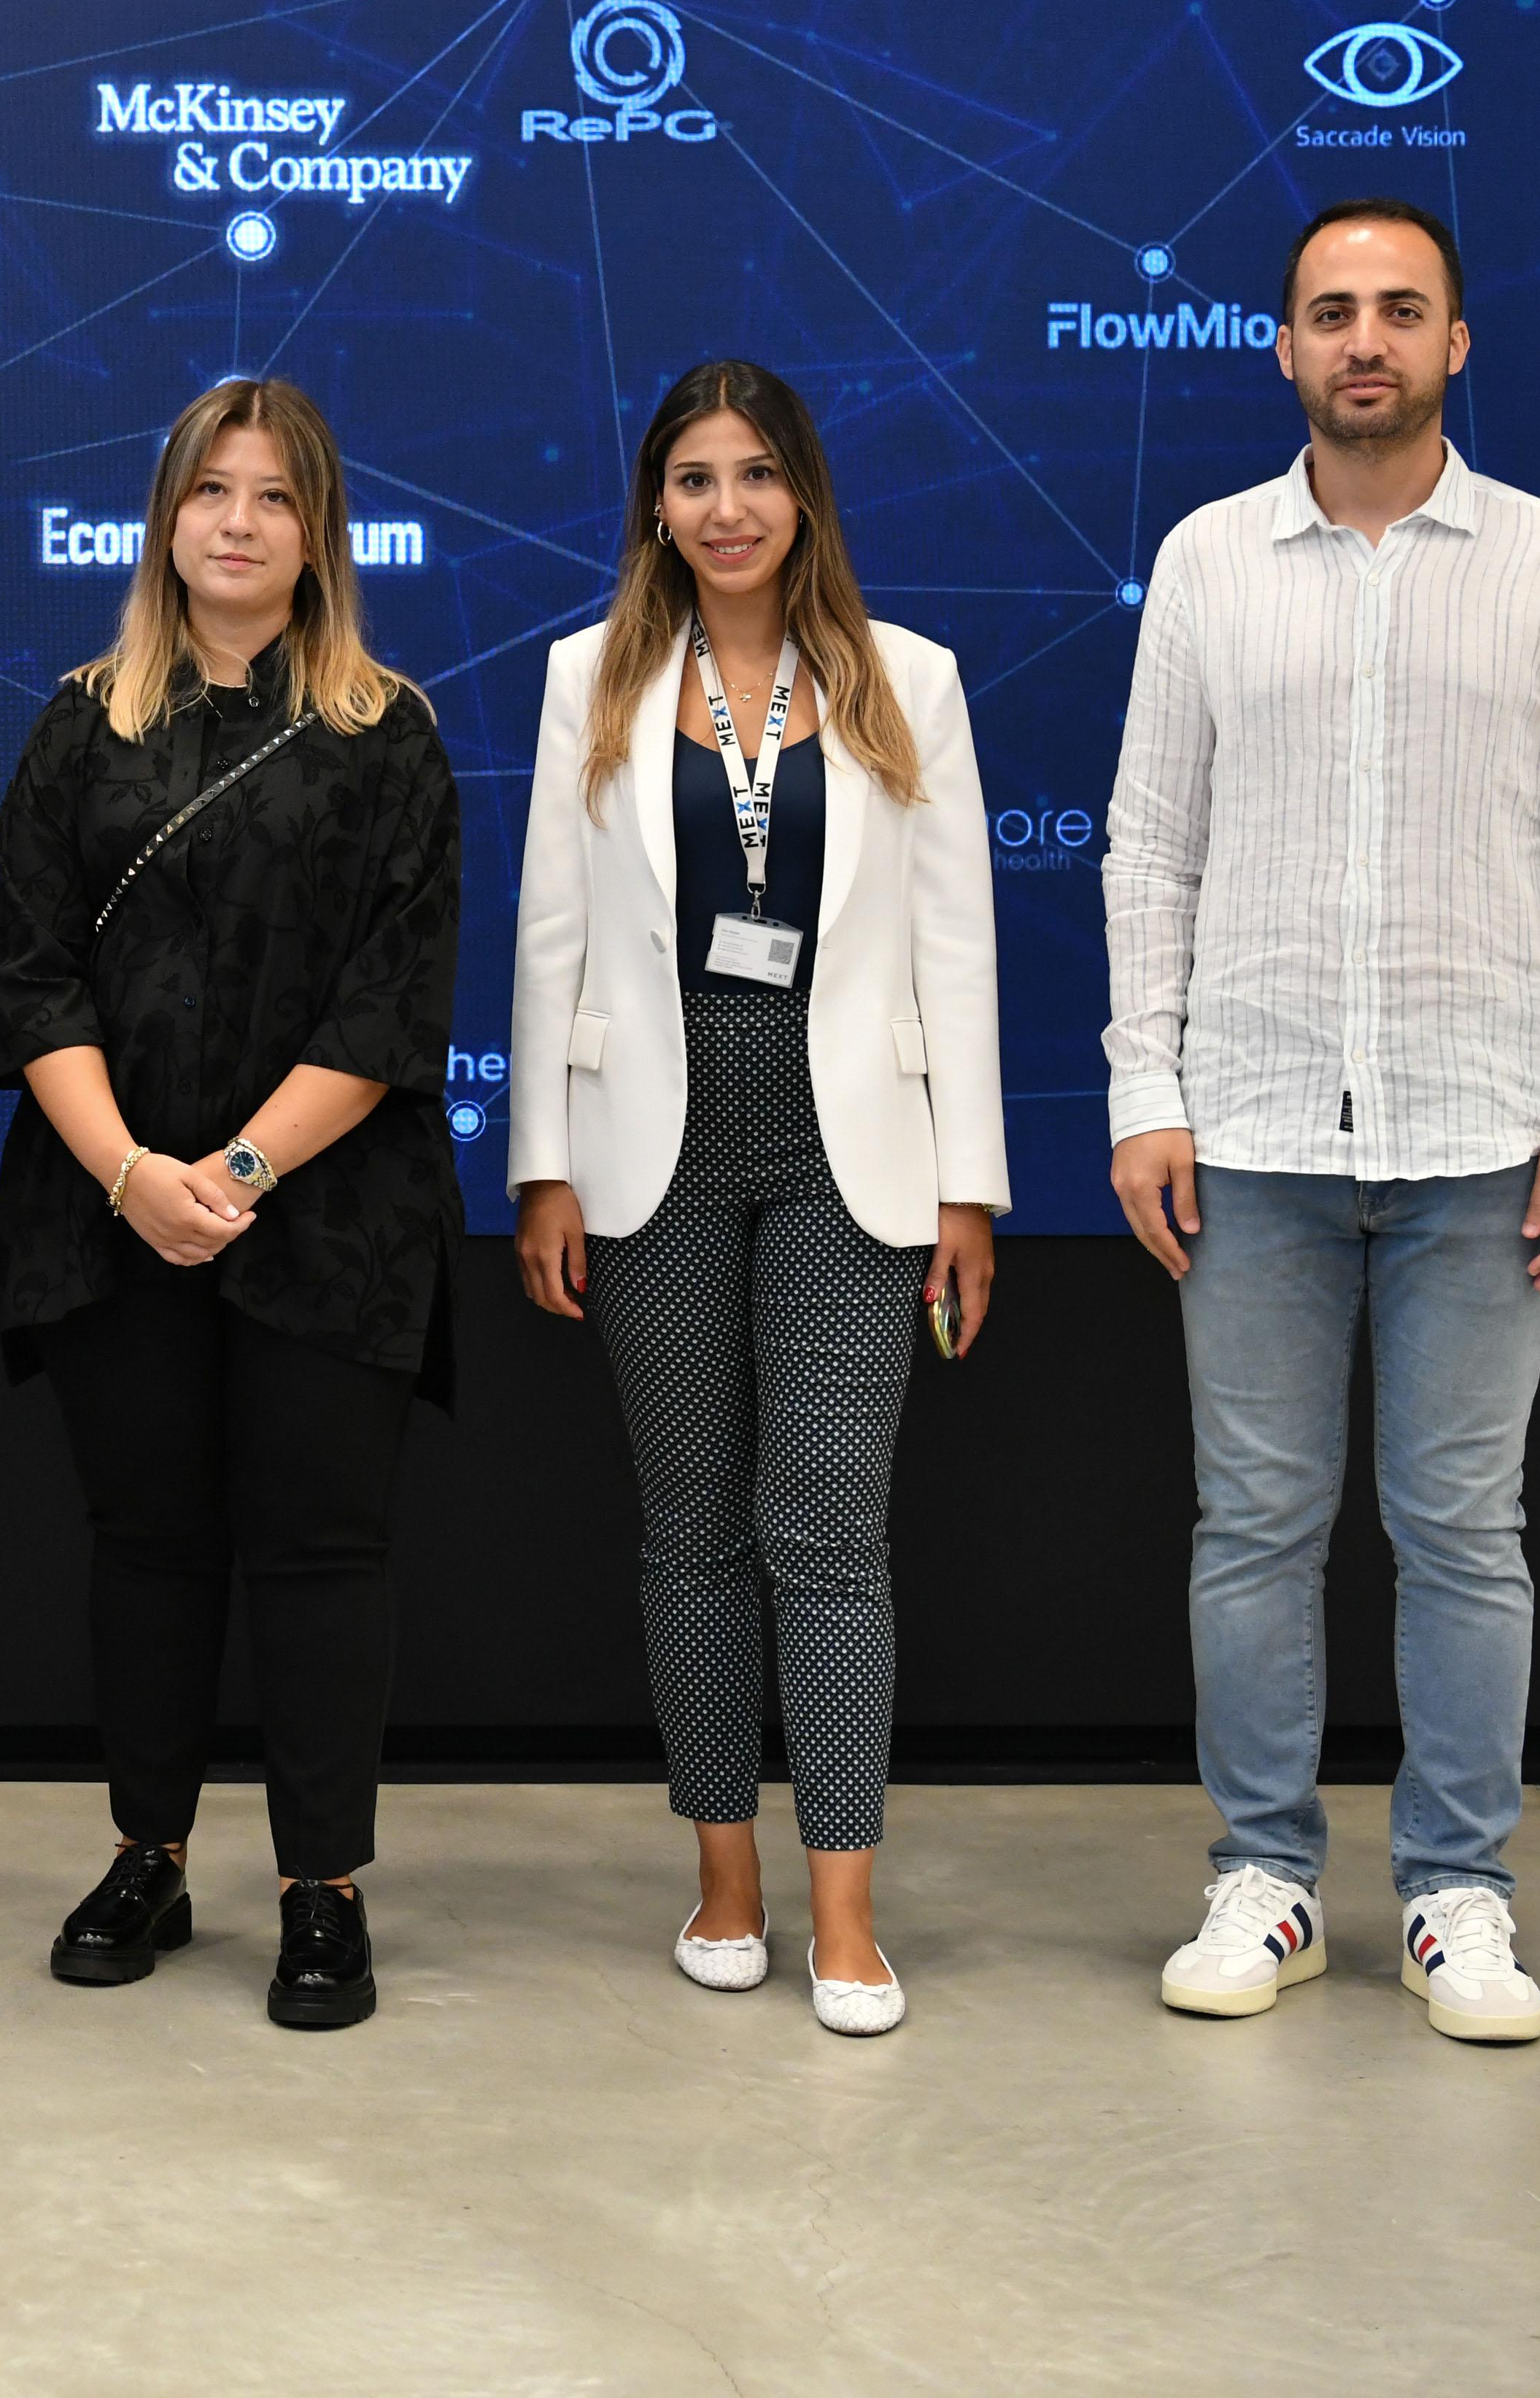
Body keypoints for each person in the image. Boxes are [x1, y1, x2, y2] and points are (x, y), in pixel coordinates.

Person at [1107, 198, 1540, 2048]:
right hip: (1252, 1124)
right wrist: (1146, 1091)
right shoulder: (1207, 561)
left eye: (1402, 310)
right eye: (1334, 310)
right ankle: (1265, 1882)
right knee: (1254, 1527)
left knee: (1466, 1532)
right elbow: (1151, 850)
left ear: (1455, 345)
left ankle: (1456, 1896)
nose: (1367, 339)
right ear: (1283, 347)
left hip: (1487, 1131)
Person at [506, 359, 1005, 2041]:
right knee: (693, 1530)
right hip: (649, 1149)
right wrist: (543, 1165)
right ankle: (725, 1885)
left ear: (805, 496)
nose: (728, 509)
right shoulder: (589, 675)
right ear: (656, 504)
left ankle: (846, 1916)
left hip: (852, 1154)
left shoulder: (908, 681)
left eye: (758, 475)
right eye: (695, 479)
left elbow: (957, 948)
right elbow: (551, 936)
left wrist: (970, 1189)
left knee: (831, 1529)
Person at [0, 374, 460, 2034]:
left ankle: (322, 1890)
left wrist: (239, 1173)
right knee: (149, 1546)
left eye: (273, 496)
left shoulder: (390, 732)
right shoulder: (78, 724)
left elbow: (395, 1003)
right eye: (210, 492)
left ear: (318, 531)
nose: (238, 523)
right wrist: (131, 1174)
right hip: (107, 1211)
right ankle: (150, 1857)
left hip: (328, 1219)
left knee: (323, 1554)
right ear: (165, 520)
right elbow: (34, 979)